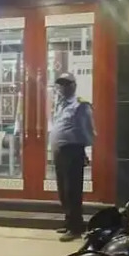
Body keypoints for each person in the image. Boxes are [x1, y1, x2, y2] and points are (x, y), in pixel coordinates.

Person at [50, 73, 94, 242]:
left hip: (72, 152)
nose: (63, 87)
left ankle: (75, 228)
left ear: (74, 86)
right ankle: (69, 222)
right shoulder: (60, 104)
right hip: (60, 152)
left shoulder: (81, 105)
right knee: (63, 190)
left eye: (67, 84)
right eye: (60, 84)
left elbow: (87, 130)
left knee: (72, 190)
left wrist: (80, 150)